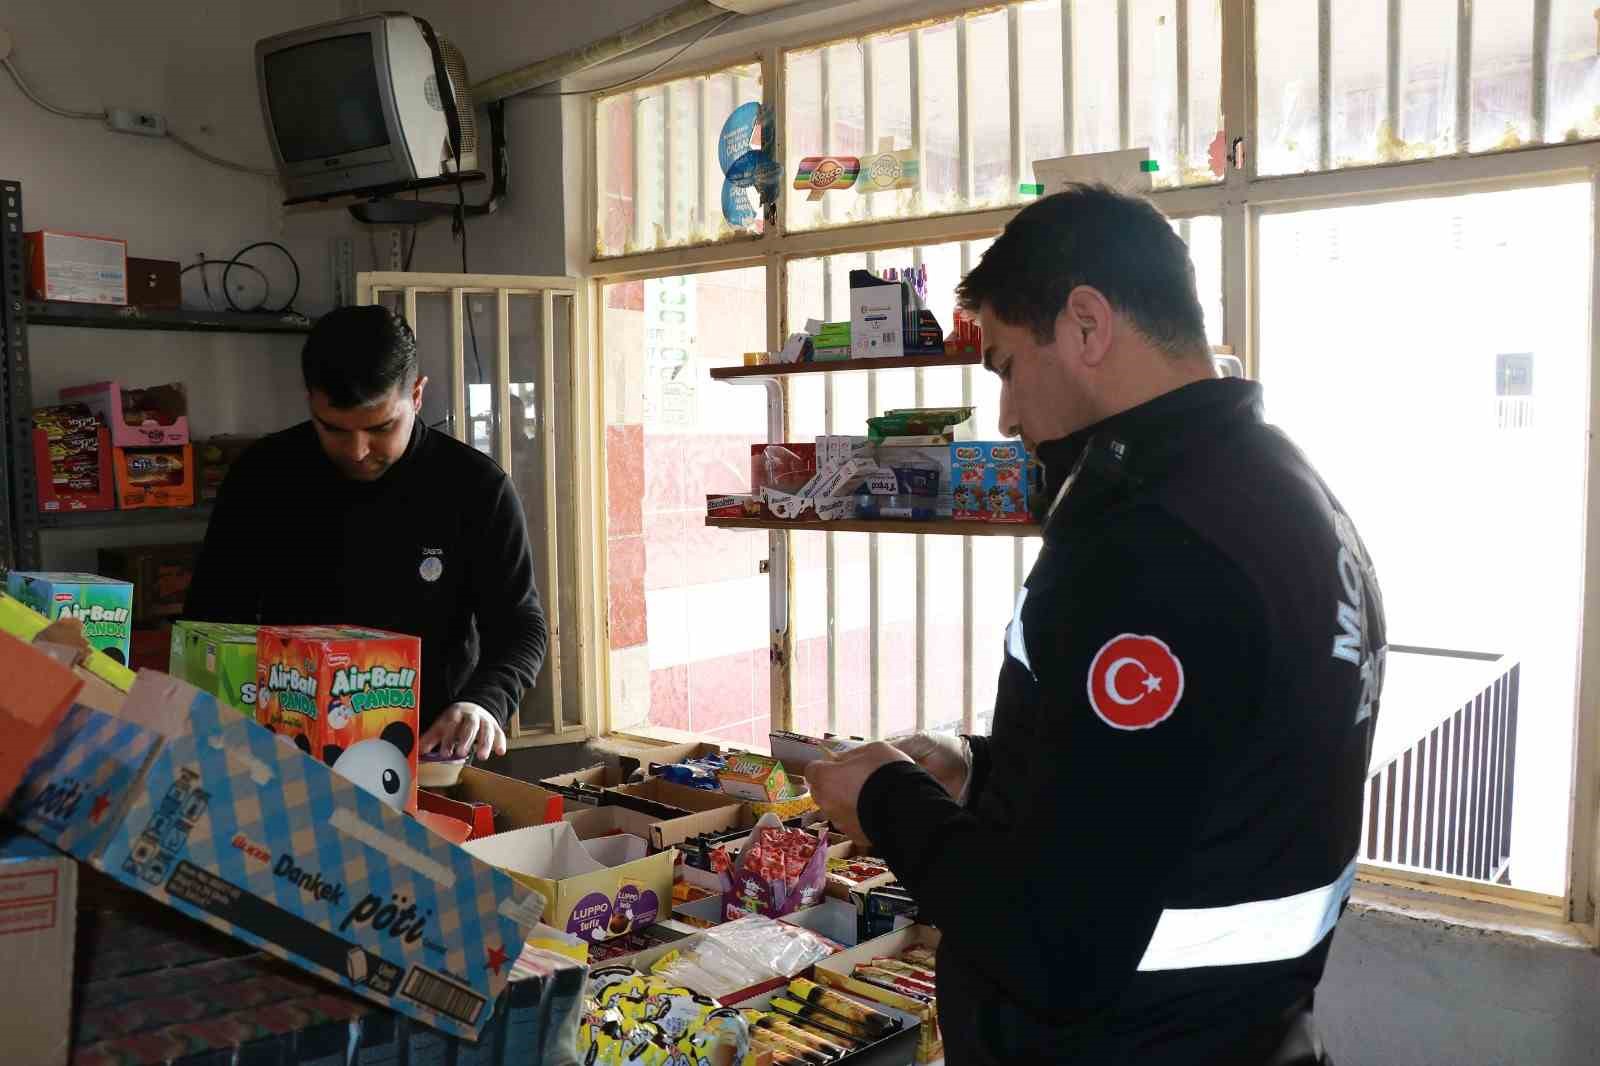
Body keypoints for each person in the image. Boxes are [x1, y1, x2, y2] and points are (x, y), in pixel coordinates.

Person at [807, 185, 1385, 1066]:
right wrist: (980, 769)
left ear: (1085, 324)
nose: (1003, 414)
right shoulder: (1282, 489)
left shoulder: (1150, 543)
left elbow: (1056, 948)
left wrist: (888, 800)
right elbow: (1167, 780)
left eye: (1003, 366)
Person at [185, 305, 548, 762]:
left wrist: (482, 702)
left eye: (380, 428)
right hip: (287, 746)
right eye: (333, 429)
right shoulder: (263, 476)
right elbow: (213, 616)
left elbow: (521, 625)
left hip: (424, 750)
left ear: (416, 395)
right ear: (310, 401)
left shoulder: (474, 487)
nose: (357, 451)